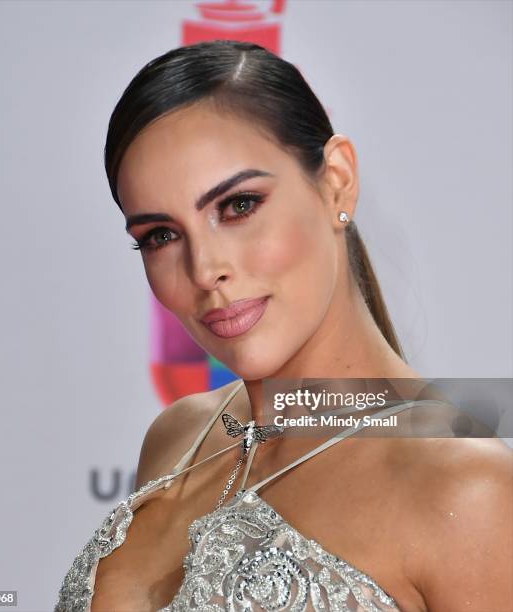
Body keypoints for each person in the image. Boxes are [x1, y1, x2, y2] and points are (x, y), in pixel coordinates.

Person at [55, 40, 512, 611]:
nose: (206, 270)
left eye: (239, 205)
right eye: (160, 235)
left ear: (337, 181)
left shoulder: (467, 488)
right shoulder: (179, 435)